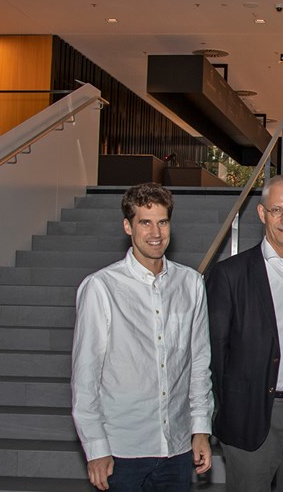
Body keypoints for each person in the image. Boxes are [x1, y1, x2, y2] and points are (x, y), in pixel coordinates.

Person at [70, 182, 213, 491]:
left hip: (176, 447)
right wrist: (96, 448)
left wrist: (200, 429)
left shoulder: (190, 284)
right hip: (123, 450)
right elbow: (86, 376)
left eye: (162, 222)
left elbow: (199, 364)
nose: (156, 232)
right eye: (145, 222)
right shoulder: (101, 287)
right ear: (128, 226)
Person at [206, 174, 283, 492]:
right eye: (277, 210)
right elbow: (214, 355)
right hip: (251, 415)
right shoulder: (229, 275)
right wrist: (227, 409)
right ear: (262, 214)